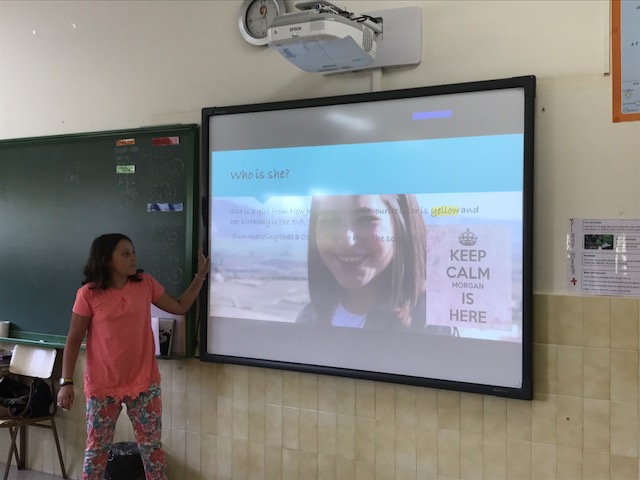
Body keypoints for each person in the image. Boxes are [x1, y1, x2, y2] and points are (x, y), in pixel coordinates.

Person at [57, 233, 210, 480]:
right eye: (125, 253)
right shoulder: (88, 294)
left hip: (144, 382)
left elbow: (180, 306)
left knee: (152, 449)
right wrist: (66, 382)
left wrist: (200, 275)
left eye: (133, 252)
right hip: (103, 385)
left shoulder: (145, 283)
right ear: (107, 259)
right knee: (97, 450)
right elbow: (74, 339)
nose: (133, 258)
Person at [297, 194, 453, 332]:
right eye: (330, 220)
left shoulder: (433, 320)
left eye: (366, 219)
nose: (346, 241)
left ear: (401, 226)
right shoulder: (308, 318)